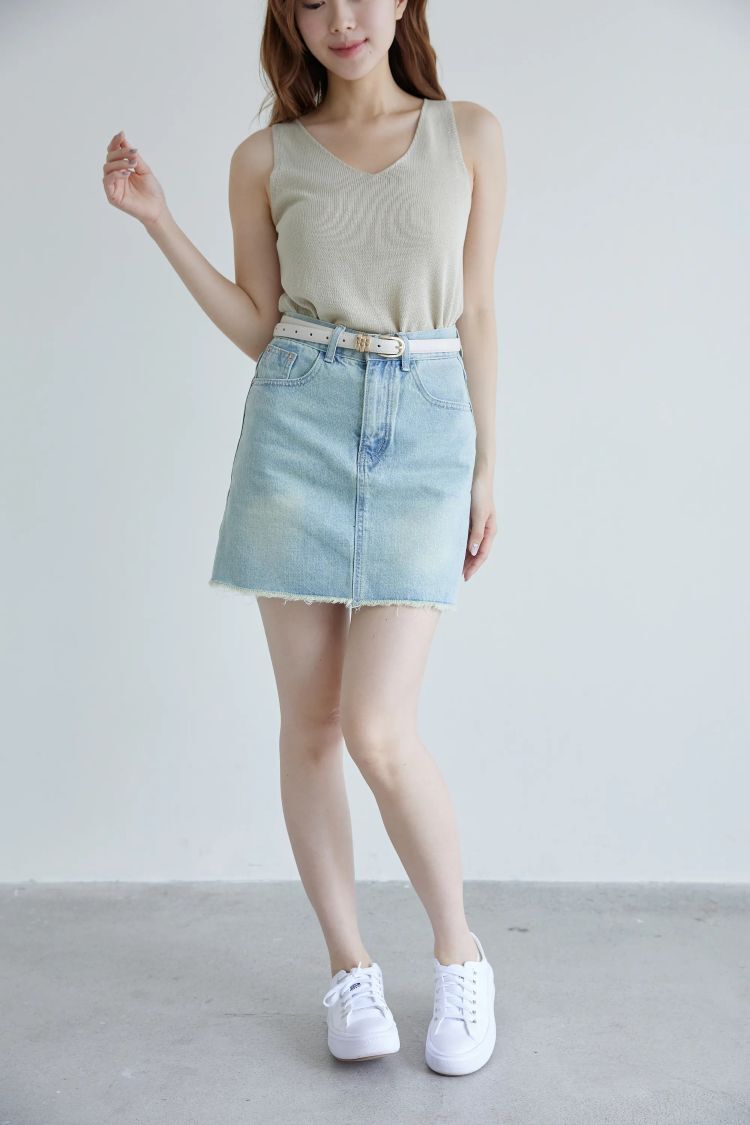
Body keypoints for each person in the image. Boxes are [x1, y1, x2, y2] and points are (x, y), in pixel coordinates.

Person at [102, 0, 506, 1077]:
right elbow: (260, 321)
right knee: (314, 725)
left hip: (425, 435)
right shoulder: (265, 158)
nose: (341, 18)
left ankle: (461, 954)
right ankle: (349, 967)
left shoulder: (469, 134)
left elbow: (475, 310)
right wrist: (159, 221)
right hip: (296, 432)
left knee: (379, 727)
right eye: (313, 0)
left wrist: (487, 466)